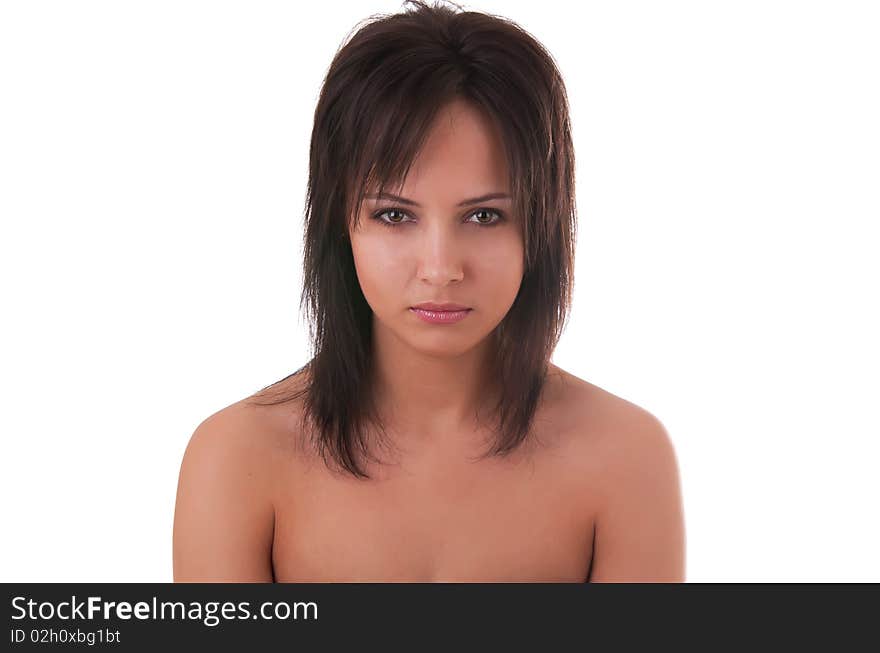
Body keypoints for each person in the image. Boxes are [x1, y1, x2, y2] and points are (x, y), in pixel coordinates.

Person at [173, 0, 685, 582]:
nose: (440, 269)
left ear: (542, 225)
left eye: (485, 217)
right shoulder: (238, 458)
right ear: (341, 223)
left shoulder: (624, 458)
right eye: (395, 216)